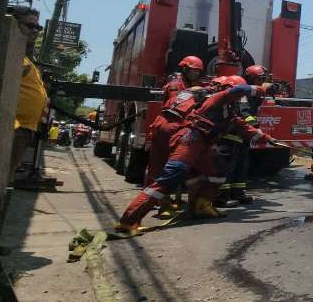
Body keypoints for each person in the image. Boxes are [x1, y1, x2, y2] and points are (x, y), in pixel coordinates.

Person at [116, 77, 279, 233]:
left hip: (201, 145)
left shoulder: (227, 111)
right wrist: (261, 89)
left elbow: (243, 127)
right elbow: (237, 90)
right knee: (169, 178)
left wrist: (268, 139)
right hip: (189, 141)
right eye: (239, 96)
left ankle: (201, 206)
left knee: (218, 173)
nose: (241, 99)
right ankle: (128, 222)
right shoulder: (216, 100)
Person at [143, 55, 207, 214]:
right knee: (162, 169)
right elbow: (177, 104)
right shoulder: (175, 85)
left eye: (198, 72)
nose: (196, 75)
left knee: (172, 168)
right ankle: (160, 203)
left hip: (174, 128)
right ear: (184, 69)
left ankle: (168, 201)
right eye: (193, 71)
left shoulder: (188, 84)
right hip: (168, 129)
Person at [215, 65, 272, 206]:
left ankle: (238, 193)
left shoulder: (252, 93)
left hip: (242, 137)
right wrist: (256, 128)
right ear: (250, 78)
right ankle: (222, 196)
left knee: (242, 166)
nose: (261, 82)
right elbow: (245, 114)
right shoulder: (242, 95)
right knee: (227, 168)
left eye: (262, 79)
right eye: (259, 79)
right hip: (231, 136)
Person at [7, 7, 49, 184]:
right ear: (14, 24)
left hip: (25, 128)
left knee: (6, 175)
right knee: (0, 176)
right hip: (11, 127)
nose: (35, 31)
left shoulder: (26, 58)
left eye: (38, 27)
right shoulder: (9, 51)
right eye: (30, 26)